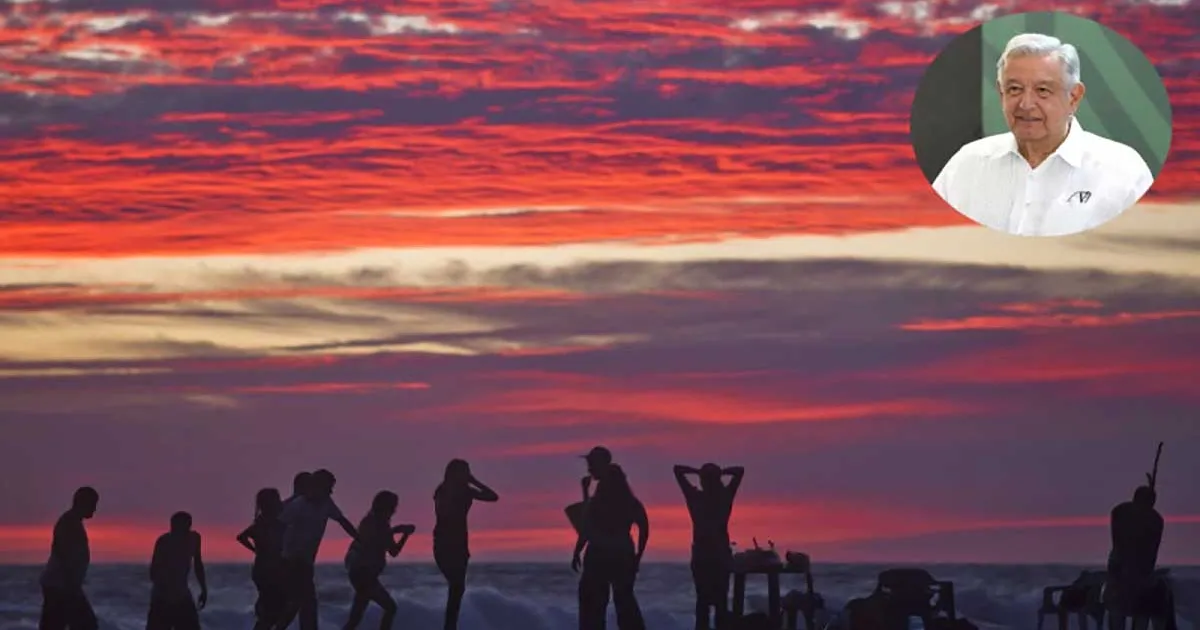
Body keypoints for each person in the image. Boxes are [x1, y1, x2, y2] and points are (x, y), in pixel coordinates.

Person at [931, 32, 1154, 236]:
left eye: (1043, 91)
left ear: (1074, 97)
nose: (1026, 104)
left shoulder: (1123, 171)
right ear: (1001, 94)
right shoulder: (967, 164)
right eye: (1014, 89)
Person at [279, 469, 361, 630]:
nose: (331, 491)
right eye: (329, 487)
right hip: (290, 561)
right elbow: (278, 526)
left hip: (306, 562)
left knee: (300, 603)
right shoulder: (298, 505)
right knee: (305, 603)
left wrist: (360, 539)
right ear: (317, 486)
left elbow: (342, 521)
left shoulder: (326, 503)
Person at [573, 462, 649, 630]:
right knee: (624, 601)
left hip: (599, 555)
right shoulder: (631, 502)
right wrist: (638, 556)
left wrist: (577, 551)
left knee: (593, 605)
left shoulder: (599, 502)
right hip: (623, 554)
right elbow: (644, 529)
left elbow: (586, 526)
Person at [674, 463, 745, 630]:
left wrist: (697, 471)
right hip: (720, 556)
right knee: (721, 602)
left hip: (702, 555)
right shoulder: (725, 497)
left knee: (703, 603)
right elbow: (739, 471)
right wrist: (720, 472)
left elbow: (677, 470)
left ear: (703, 481)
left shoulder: (695, 498)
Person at [433, 459, 499, 630]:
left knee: (458, 589)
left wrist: (474, 481)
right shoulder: (443, 491)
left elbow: (493, 497)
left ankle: (450, 626)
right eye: (464, 472)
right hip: (444, 541)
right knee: (456, 586)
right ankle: (449, 626)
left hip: (460, 543)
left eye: (468, 472)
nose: (466, 475)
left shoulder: (466, 490)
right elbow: (443, 512)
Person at [342, 491, 415, 630]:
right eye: (393, 507)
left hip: (363, 575)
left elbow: (389, 547)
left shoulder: (378, 522)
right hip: (363, 575)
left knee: (355, 619)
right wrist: (400, 533)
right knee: (390, 608)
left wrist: (401, 533)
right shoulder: (373, 522)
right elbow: (385, 547)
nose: (394, 510)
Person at [1105, 485, 1174, 630]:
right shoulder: (1155, 519)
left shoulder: (1120, 512)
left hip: (1120, 574)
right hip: (1138, 577)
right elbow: (1151, 550)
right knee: (1149, 602)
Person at [39, 486, 100, 630]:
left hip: (64, 586)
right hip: (61, 587)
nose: (95, 509)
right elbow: (66, 557)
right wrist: (72, 587)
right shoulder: (69, 523)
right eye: (93, 504)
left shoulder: (71, 522)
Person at [146, 511, 208, 630]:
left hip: (182, 595)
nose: (174, 530)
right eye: (173, 526)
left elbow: (198, 565)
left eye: (179, 527)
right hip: (162, 597)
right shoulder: (164, 541)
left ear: (188, 526)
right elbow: (153, 572)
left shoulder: (194, 539)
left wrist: (204, 589)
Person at [237, 488, 288, 630]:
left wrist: (256, 550)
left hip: (264, 568)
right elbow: (241, 537)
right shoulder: (271, 523)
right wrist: (256, 549)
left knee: (271, 608)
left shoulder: (261, 522)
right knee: (272, 610)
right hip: (270, 570)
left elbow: (241, 537)